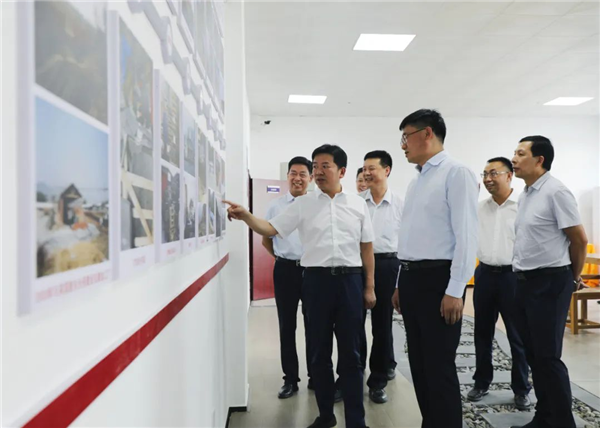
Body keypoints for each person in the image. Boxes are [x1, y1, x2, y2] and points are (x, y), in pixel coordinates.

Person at [225, 144, 375, 428]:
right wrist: (246, 216)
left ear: (342, 171)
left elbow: (366, 248)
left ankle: (357, 422)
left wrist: (369, 287)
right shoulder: (304, 204)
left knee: (352, 356)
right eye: (315, 166)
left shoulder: (358, 205)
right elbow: (270, 229)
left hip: (350, 282)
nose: (318, 171)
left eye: (325, 166)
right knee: (318, 354)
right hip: (316, 283)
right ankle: (326, 416)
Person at [391, 109, 478, 428]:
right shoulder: (417, 181)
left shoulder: (457, 173)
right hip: (412, 279)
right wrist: (399, 282)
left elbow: (467, 236)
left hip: (439, 280)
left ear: (427, 133)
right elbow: (409, 237)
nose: (403, 145)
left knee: (439, 366)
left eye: (406, 136)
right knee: (419, 363)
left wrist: (456, 290)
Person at [510, 136, 588, 428]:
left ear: (539, 159)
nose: (514, 159)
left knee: (547, 356)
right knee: (533, 354)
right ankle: (545, 417)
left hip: (550, 281)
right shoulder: (527, 194)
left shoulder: (556, 192)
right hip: (525, 281)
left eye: (521, 153)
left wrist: (573, 278)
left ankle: (562, 422)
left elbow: (579, 240)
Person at [467, 157, 531, 409]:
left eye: (493, 173)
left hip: (513, 277)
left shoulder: (522, 206)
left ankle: (521, 388)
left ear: (509, 175)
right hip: (484, 275)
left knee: (517, 335)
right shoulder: (479, 208)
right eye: (484, 174)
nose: (487, 179)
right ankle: (481, 382)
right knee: (482, 332)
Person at [262, 156, 313, 399]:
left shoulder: (317, 204)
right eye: (293, 173)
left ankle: (316, 376)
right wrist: (282, 259)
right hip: (285, 271)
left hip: (312, 271)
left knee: (315, 325)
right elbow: (266, 240)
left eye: (303, 174)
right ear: (287, 176)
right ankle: (290, 379)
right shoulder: (275, 206)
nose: (297, 178)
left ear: (310, 178)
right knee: (287, 325)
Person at [360, 150, 403, 404]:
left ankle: (378, 381)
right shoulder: (357, 203)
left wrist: (399, 283)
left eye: (372, 168)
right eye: (364, 168)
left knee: (382, 326)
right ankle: (353, 375)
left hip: (388, 265)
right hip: (357, 266)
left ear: (386, 170)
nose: (366, 173)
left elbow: (406, 244)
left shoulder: (400, 204)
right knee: (353, 325)